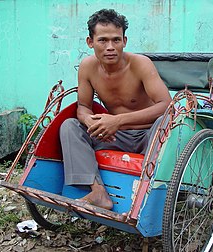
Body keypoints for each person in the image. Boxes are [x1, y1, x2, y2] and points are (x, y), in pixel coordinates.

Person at [60, 9, 172, 210]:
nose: (110, 47)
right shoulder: (87, 67)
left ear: (124, 41)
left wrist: (117, 121)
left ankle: (147, 195)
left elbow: (166, 105)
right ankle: (98, 191)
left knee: (161, 124)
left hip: (148, 135)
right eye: (102, 40)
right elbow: (83, 107)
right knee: (70, 126)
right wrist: (93, 123)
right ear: (90, 42)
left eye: (116, 40)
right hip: (114, 136)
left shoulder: (140, 64)